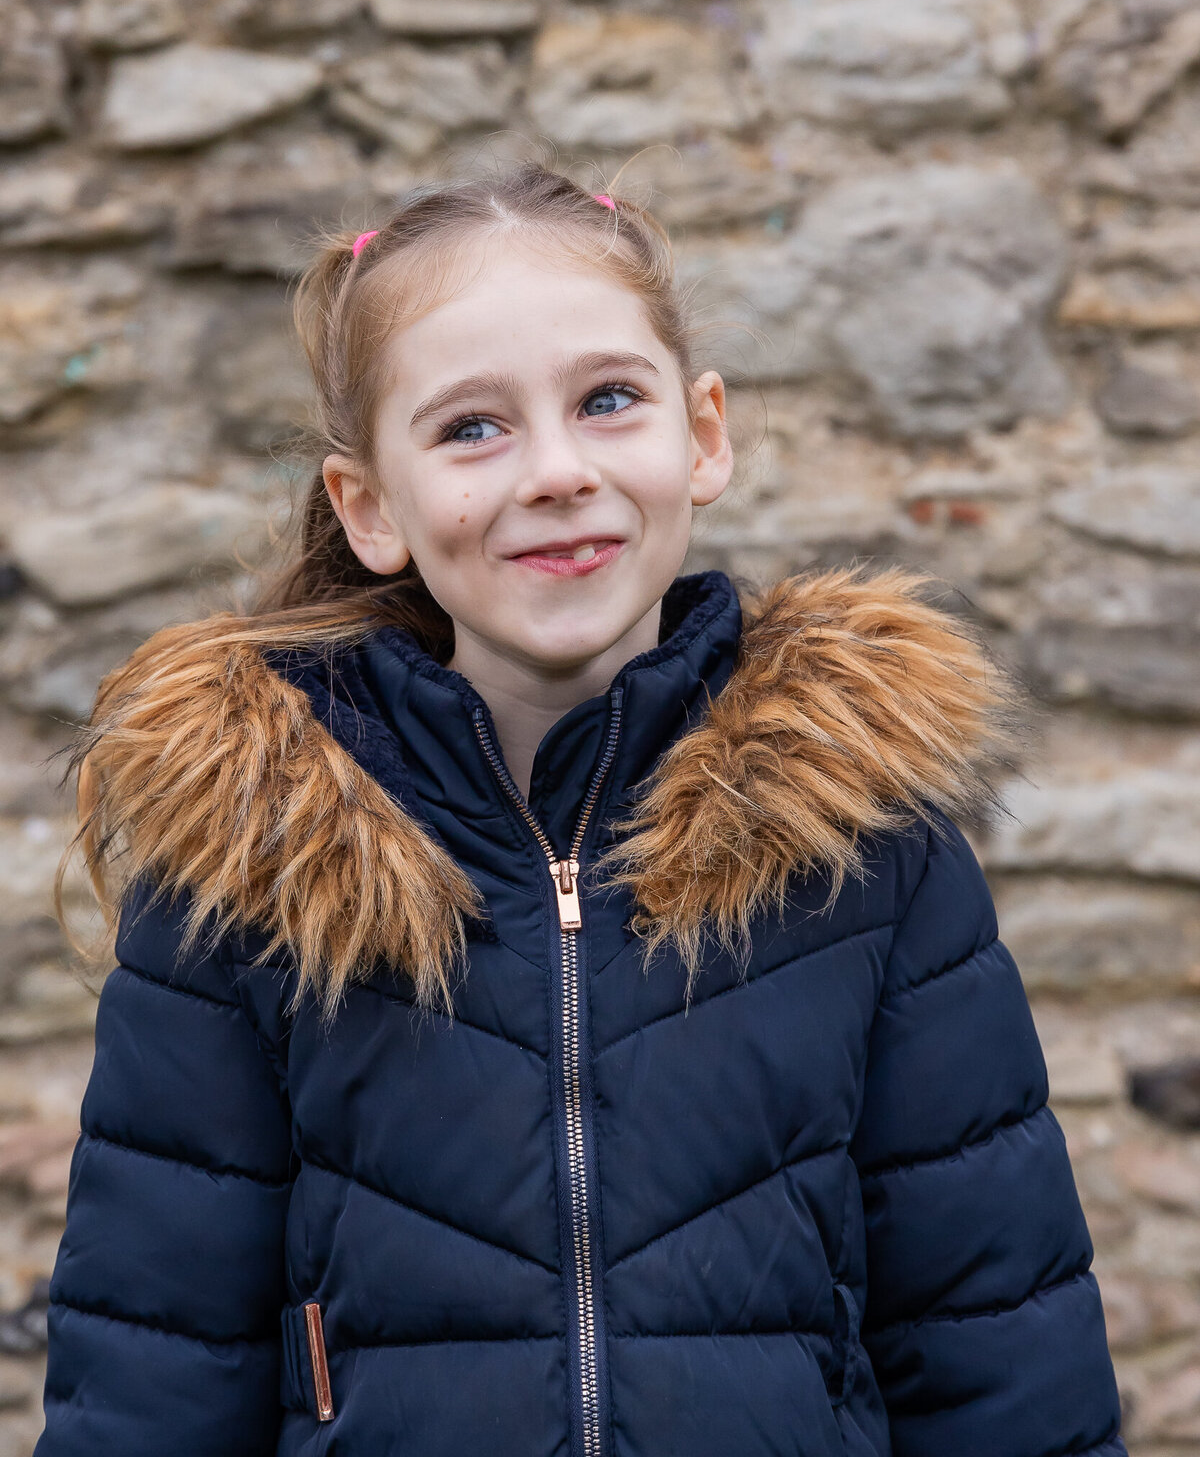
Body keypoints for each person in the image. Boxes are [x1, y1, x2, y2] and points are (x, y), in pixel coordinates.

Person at [35, 164, 1125, 1457]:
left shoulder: (869, 844)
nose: (557, 471)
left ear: (701, 434)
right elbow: (149, 1370)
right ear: (369, 506)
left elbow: (1001, 1347)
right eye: (471, 429)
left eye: (608, 401)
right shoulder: (248, 865)